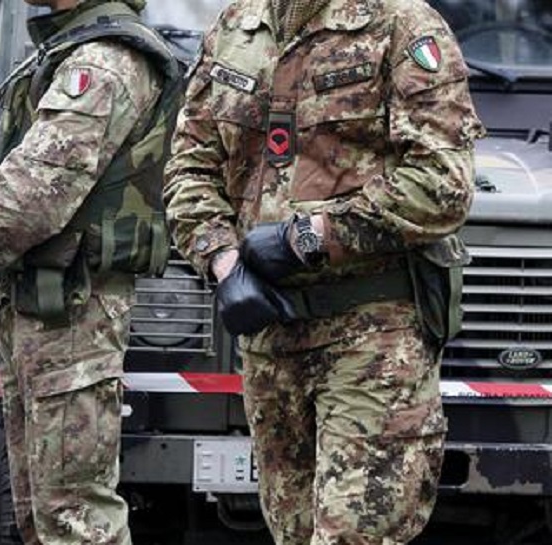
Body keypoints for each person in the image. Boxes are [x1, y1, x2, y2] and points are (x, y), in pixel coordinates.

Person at [163, 0, 485, 544]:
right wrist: (222, 260)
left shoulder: (399, 24)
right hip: (270, 339)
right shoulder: (238, 26)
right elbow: (190, 166)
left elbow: (442, 183)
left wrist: (308, 238)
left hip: (372, 341)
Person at [0, 0, 181, 543]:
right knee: (40, 516)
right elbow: (44, 174)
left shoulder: (102, 61)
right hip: (45, 306)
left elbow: (39, 193)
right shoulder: (70, 48)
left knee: (75, 518)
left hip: (73, 311)